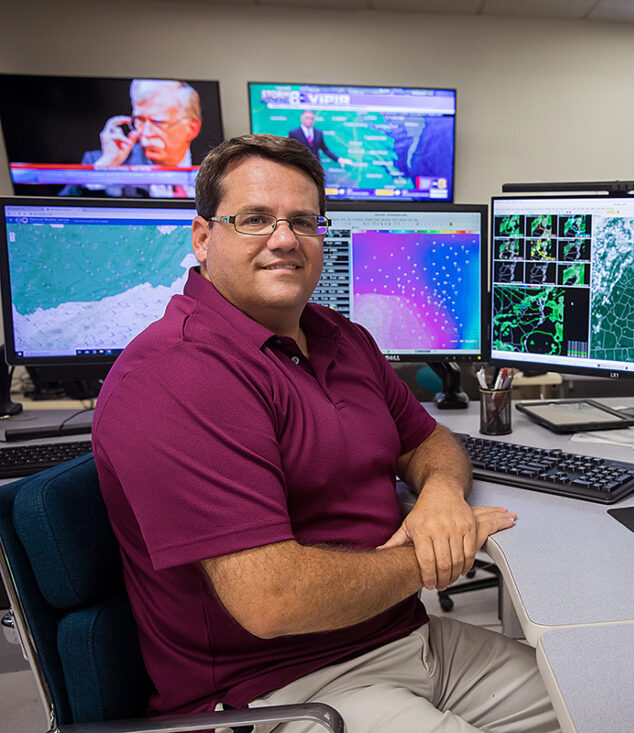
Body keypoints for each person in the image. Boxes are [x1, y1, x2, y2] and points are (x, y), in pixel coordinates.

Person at [91, 133, 560, 733]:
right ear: (204, 237)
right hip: (277, 690)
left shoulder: (342, 337)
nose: (284, 240)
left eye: (304, 221)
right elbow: (273, 600)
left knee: (608, 700)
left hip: (410, 640)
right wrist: (427, 560)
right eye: (255, 219)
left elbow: (426, 441)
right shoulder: (176, 376)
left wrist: (442, 498)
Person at [61, 78, 203, 197]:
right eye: (140, 120)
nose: (146, 132)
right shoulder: (98, 163)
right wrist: (107, 166)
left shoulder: (212, 166)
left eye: (158, 122)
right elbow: (57, 218)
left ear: (192, 128)